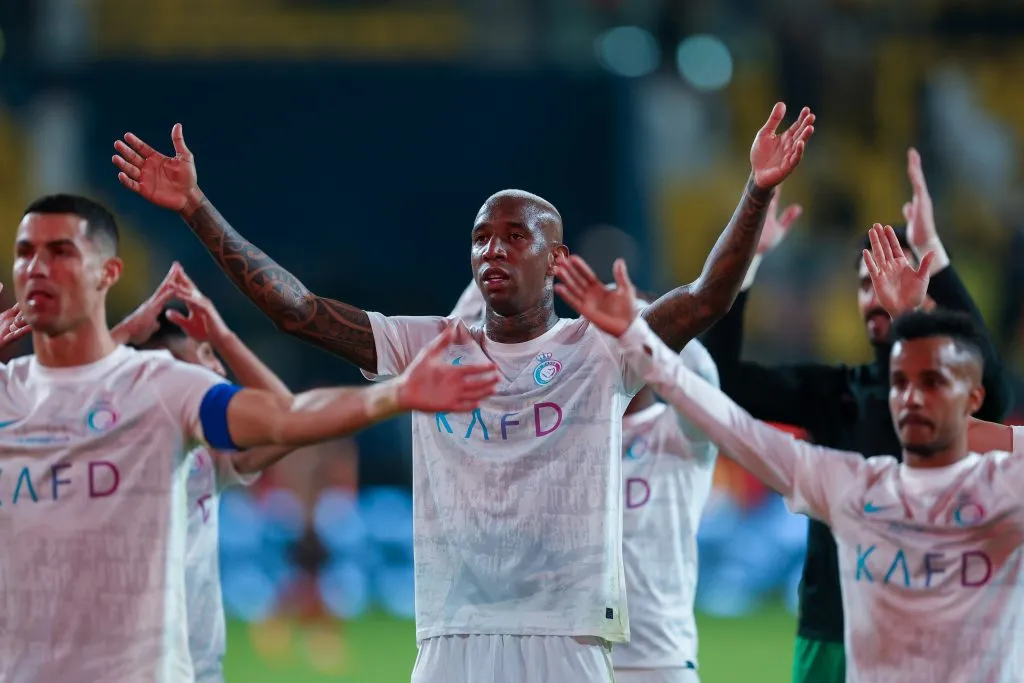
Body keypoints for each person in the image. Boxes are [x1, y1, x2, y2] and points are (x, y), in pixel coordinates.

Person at [112, 103, 814, 682]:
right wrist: (197, 208)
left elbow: (705, 299)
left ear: (558, 259)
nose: (492, 251)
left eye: (514, 236)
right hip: (450, 636)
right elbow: (297, 310)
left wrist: (754, 192)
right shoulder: (430, 345)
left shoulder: (596, 352)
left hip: (566, 638)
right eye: (480, 238)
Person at [0, 193, 499, 683]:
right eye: (24, 253)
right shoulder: (13, 395)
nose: (36, 267)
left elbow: (287, 418)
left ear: (107, 274)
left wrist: (395, 395)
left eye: (60, 251)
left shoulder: (160, 393)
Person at [555, 245, 1024, 682]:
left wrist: (912, 317)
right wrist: (640, 341)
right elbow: (731, 425)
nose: (910, 398)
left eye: (933, 382)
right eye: (899, 383)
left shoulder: (1009, 483)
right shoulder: (851, 487)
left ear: (973, 398)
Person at [699, 148, 1009, 683]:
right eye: (864, 285)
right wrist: (747, 256)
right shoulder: (834, 392)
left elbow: (991, 387)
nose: (874, 298)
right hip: (830, 629)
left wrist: (933, 254)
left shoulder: (954, 404)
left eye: (886, 283)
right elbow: (720, 379)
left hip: (930, 621)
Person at [450, 282, 720, 683]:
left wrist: (643, 321)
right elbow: (459, 352)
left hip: (657, 663)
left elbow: (705, 380)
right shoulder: (554, 431)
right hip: (567, 658)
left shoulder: (679, 435)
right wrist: (501, 272)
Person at [116, 262, 299, 683]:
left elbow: (289, 422)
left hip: (199, 666)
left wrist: (224, 338)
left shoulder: (208, 457)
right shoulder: (105, 449)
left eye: (202, 360)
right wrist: (123, 335)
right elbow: (68, 396)